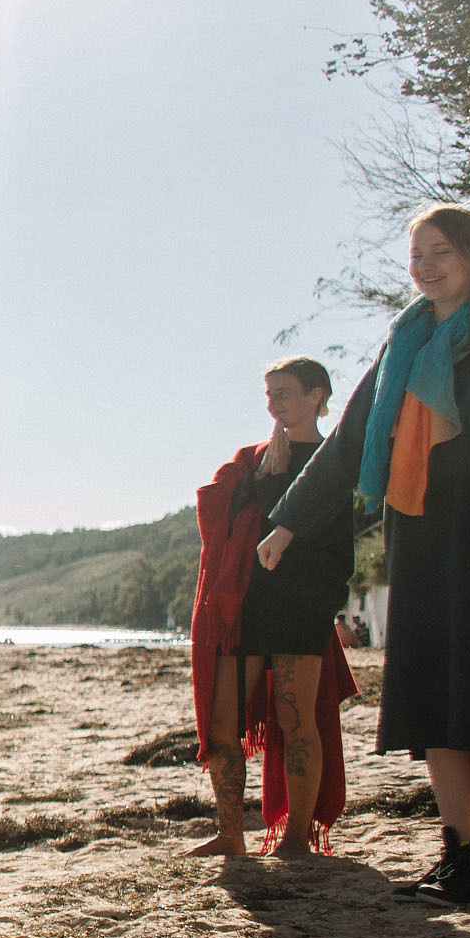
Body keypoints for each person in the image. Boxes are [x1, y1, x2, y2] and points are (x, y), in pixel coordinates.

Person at [263, 204, 470, 905]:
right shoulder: (404, 344)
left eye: (442, 252)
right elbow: (348, 444)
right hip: (425, 540)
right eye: (417, 255)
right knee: (436, 694)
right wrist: (287, 524)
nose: (426, 266)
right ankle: (457, 850)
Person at [189, 360, 357, 859]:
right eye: (269, 394)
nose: (274, 403)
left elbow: (337, 549)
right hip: (246, 607)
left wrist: (323, 605)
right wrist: (259, 479)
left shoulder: (334, 461)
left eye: (284, 393)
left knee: (295, 716)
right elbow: (216, 514)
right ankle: (230, 833)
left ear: (316, 396)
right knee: (223, 724)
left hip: (302, 608)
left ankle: (297, 838)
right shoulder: (256, 459)